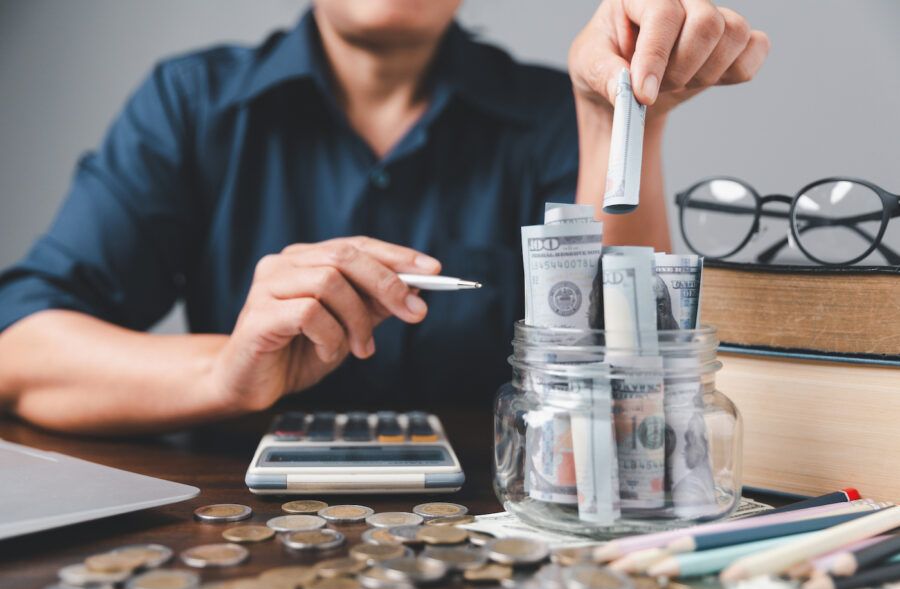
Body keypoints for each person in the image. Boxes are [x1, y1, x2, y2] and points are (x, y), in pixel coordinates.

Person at [0, 0, 768, 434]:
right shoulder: (191, 103)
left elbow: (631, 410)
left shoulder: (554, 113)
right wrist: (227, 373)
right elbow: (20, 353)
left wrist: (615, 120)